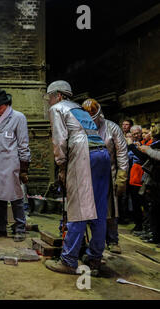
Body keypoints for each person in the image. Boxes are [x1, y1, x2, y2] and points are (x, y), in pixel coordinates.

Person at [43, 81, 111, 275]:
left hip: (84, 155)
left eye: (49, 97)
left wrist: (61, 165)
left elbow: (59, 139)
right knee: (98, 209)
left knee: (79, 209)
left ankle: (69, 260)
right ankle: (95, 258)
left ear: (57, 95)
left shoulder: (57, 108)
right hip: (102, 154)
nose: (49, 102)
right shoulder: (79, 108)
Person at [0, 89, 31, 242]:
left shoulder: (18, 118)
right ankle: (1, 228)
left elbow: (23, 144)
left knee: (16, 198)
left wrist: (24, 168)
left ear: (7, 104)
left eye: (0, 107)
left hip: (11, 164)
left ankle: (20, 228)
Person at [82, 99, 128, 254]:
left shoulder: (112, 128)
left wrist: (122, 174)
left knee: (111, 210)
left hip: (109, 174)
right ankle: (91, 240)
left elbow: (121, 152)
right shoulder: (81, 127)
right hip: (87, 173)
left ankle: (113, 240)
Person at [127, 125, 144, 233]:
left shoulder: (145, 144)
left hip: (141, 175)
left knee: (142, 202)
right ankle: (138, 224)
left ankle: (142, 225)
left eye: (138, 133)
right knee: (134, 202)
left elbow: (142, 157)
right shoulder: (131, 146)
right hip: (132, 176)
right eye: (134, 134)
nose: (137, 135)